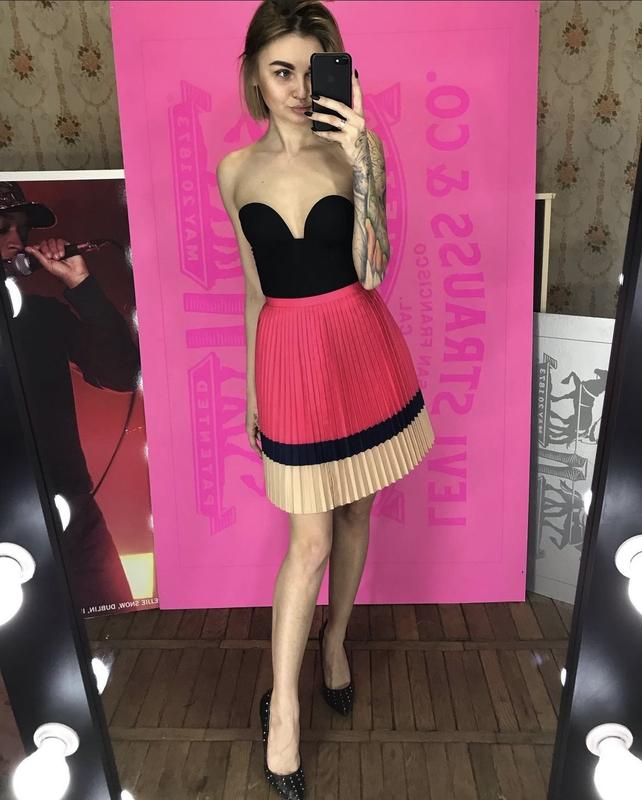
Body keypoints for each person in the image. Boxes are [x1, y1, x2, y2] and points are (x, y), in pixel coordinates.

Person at [216, 1, 435, 796]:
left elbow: (373, 270)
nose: (300, 89)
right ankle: (284, 714)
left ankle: (335, 640)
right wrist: (253, 389)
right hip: (288, 359)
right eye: (282, 71)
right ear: (253, 74)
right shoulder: (235, 172)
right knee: (305, 542)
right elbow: (254, 289)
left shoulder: (355, 152)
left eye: (314, 72)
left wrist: (363, 162)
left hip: (360, 346)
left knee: (353, 513)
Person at [0, 181, 140, 613]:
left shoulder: (41, 317)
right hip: (8, 519)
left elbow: (121, 374)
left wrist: (82, 285)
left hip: (69, 508)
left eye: (22, 230)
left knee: (113, 616)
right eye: (3, 228)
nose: (16, 241)